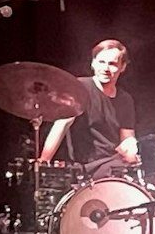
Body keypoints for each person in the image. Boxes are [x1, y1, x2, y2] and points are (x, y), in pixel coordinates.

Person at [38, 39, 139, 179]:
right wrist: (43, 161)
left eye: (112, 64)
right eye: (101, 62)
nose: (105, 68)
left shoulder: (125, 99)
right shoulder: (79, 87)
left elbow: (127, 138)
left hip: (115, 165)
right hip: (86, 167)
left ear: (123, 67)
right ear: (93, 63)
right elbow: (62, 124)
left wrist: (130, 151)